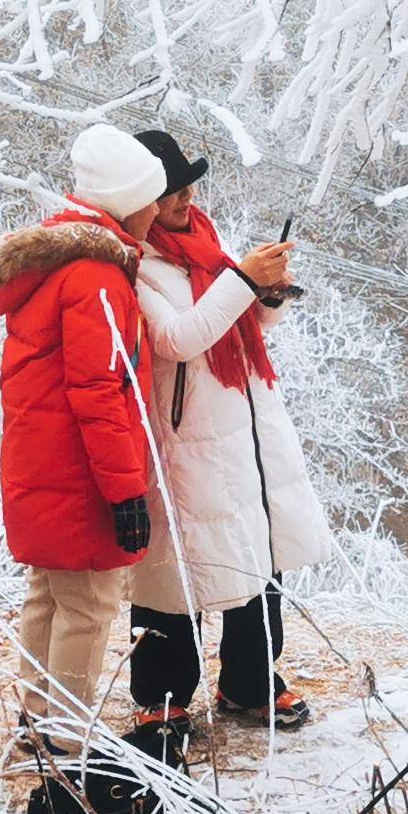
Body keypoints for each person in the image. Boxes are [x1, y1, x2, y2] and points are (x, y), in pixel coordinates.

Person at [119, 129, 325, 734]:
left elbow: (240, 319)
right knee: (173, 562)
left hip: (245, 420)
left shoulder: (203, 241)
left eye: (187, 184)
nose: (186, 197)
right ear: (142, 197)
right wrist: (241, 279)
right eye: (171, 190)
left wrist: (268, 293)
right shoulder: (136, 264)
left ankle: (252, 682)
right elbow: (177, 338)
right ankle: (160, 697)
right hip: (183, 434)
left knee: (256, 548)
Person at [0, 122, 165, 755]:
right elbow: (99, 391)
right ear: (124, 200)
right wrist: (126, 491)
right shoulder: (97, 277)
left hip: (41, 465)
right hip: (83, 475)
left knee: (49, 597)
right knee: (87, 604)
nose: (157, 211)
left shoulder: (54, 267)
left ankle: (38, 719)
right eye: (151, 198)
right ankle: (66, 737)